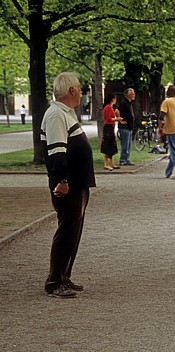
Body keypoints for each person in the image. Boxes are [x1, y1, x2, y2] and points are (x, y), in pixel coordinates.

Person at [40, 72, 96, 298]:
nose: (82, 91)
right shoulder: (56, 115)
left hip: (78, 183)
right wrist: (61, 181)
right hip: (69, 184)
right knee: (67, 231)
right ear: (71, 90)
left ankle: (64, 275)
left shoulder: (65, 113)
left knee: (74, 231)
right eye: (80, 88)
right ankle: (54, 281)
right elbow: (57, 151)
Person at [100, 93, 125, 170]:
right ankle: (106, 163)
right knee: (107, 144)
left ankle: (112, 163)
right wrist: (117, 119)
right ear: (112, 99)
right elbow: (108, 119)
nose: (116, 100)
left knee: (112, 144)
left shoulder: (110, 107)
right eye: (115, 98)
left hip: (111, 127)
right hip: (108, 127)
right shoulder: (108, 107)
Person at [118, 88, 136, 166]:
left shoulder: (129, 103)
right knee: (125, 144)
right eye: (132, 94)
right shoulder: (123, 103)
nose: (134, 95)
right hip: (124, 127)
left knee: (128, 145)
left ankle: (127, 159)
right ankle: (123, 159)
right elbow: (116, 111)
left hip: (129, 127)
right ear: (128, 95)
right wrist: (120, 120)